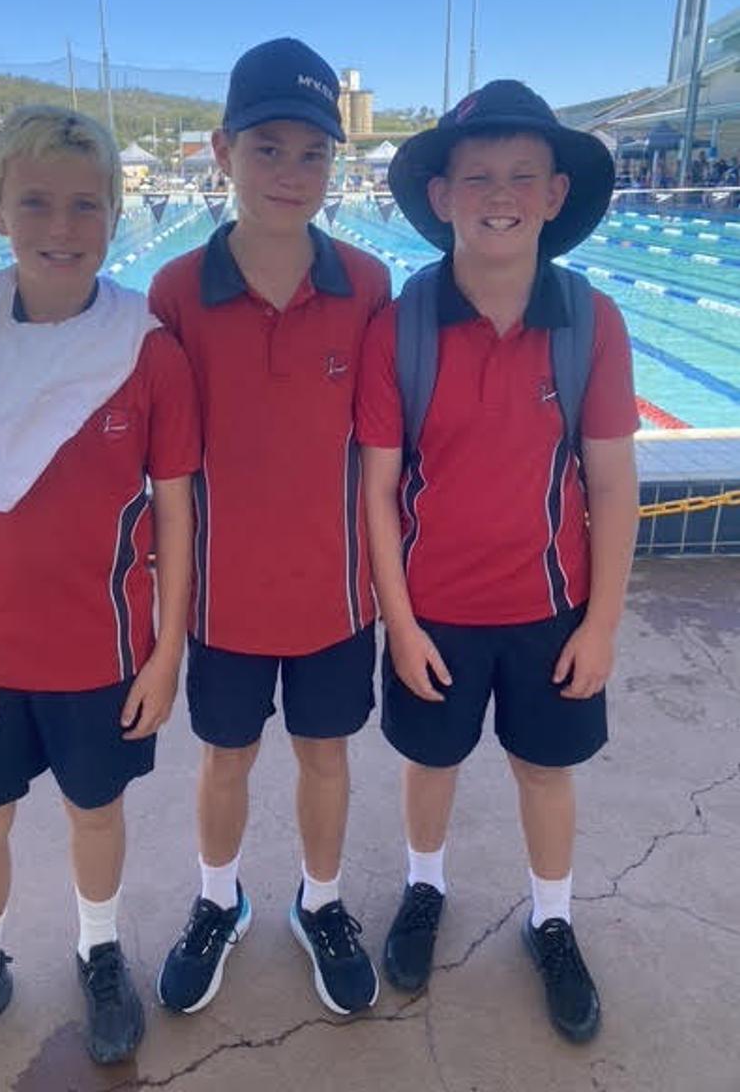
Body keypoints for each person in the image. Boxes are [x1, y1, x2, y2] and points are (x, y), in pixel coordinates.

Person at [0, 104, 199, 1091]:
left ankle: (99, 953)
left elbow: (177, 511)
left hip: (105, 653)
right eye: (36, 202)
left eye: (85, 205)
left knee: (96, 813)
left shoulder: (148, 351)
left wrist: (167, 652)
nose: (62, 226)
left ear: (116, 217)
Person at [356, 81, 638, 1042]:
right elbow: (378, 491)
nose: (500, 194)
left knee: (544, 772)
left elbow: (612, 484)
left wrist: (602, 626)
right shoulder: (402, 326)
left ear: (556, 194)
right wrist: (399, 626)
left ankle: (551, 919)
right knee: (430, 763)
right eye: (477, 177)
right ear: (442, 197)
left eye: (522, 175)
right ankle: (424, 886)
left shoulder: (592, 323)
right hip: (433, 610)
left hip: (552, 610)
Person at [148, 38, 390, 1017]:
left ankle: (320, 902)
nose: (292, 173)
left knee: (327, 756)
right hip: (223, 603)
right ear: (223, 151)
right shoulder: (175, 294)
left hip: (337, 595)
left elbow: (388, 451)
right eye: (268, 149)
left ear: (335, 164)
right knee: (226, 759)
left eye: (313, 153)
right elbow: (159, 469)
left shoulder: (369, 286)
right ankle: (219, 900)